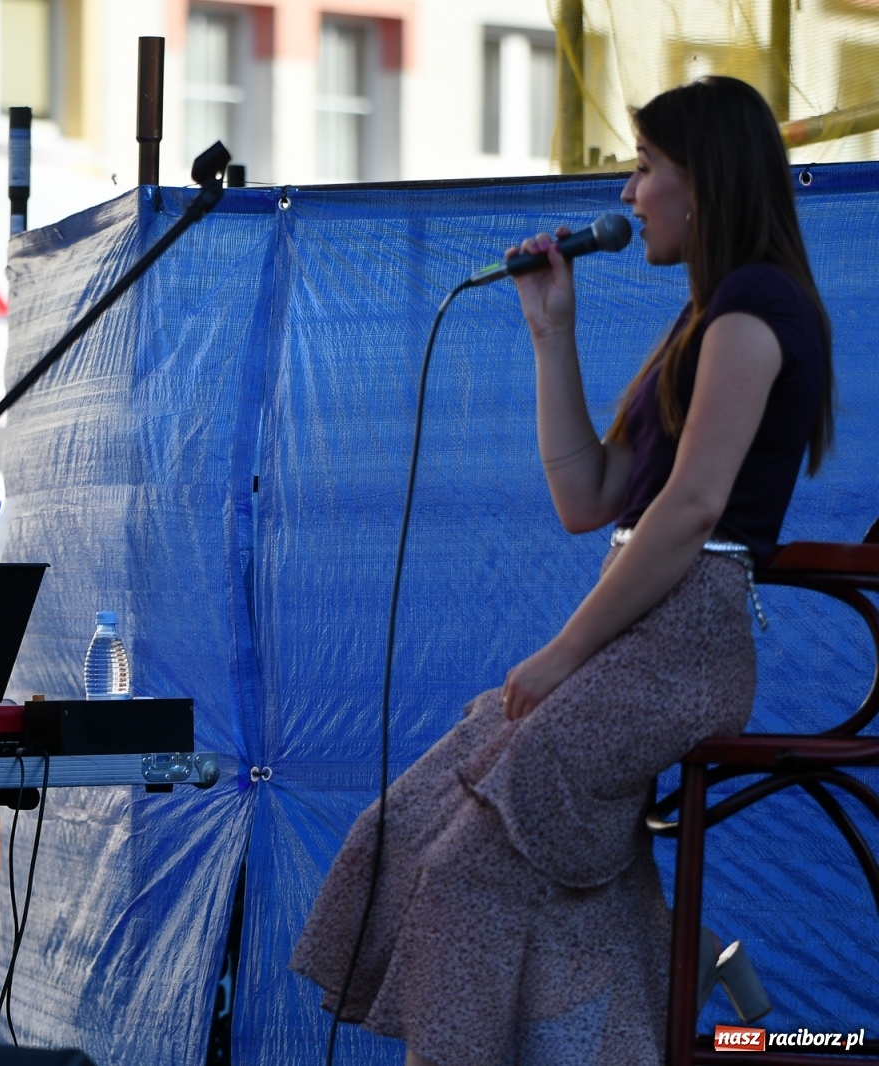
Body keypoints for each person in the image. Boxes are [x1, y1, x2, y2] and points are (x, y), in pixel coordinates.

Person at [291, 76, 833, 1066]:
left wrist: (562, 650)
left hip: (682, 640)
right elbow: (589, 498)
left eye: (643, 168)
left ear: (699, 181)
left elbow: (694, 508)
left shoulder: (756, 306)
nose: (628, 194)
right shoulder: (701, 323)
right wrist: (552, 332)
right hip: (641, 624)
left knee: (468, 873)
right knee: (415, 820)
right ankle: (677, 990)